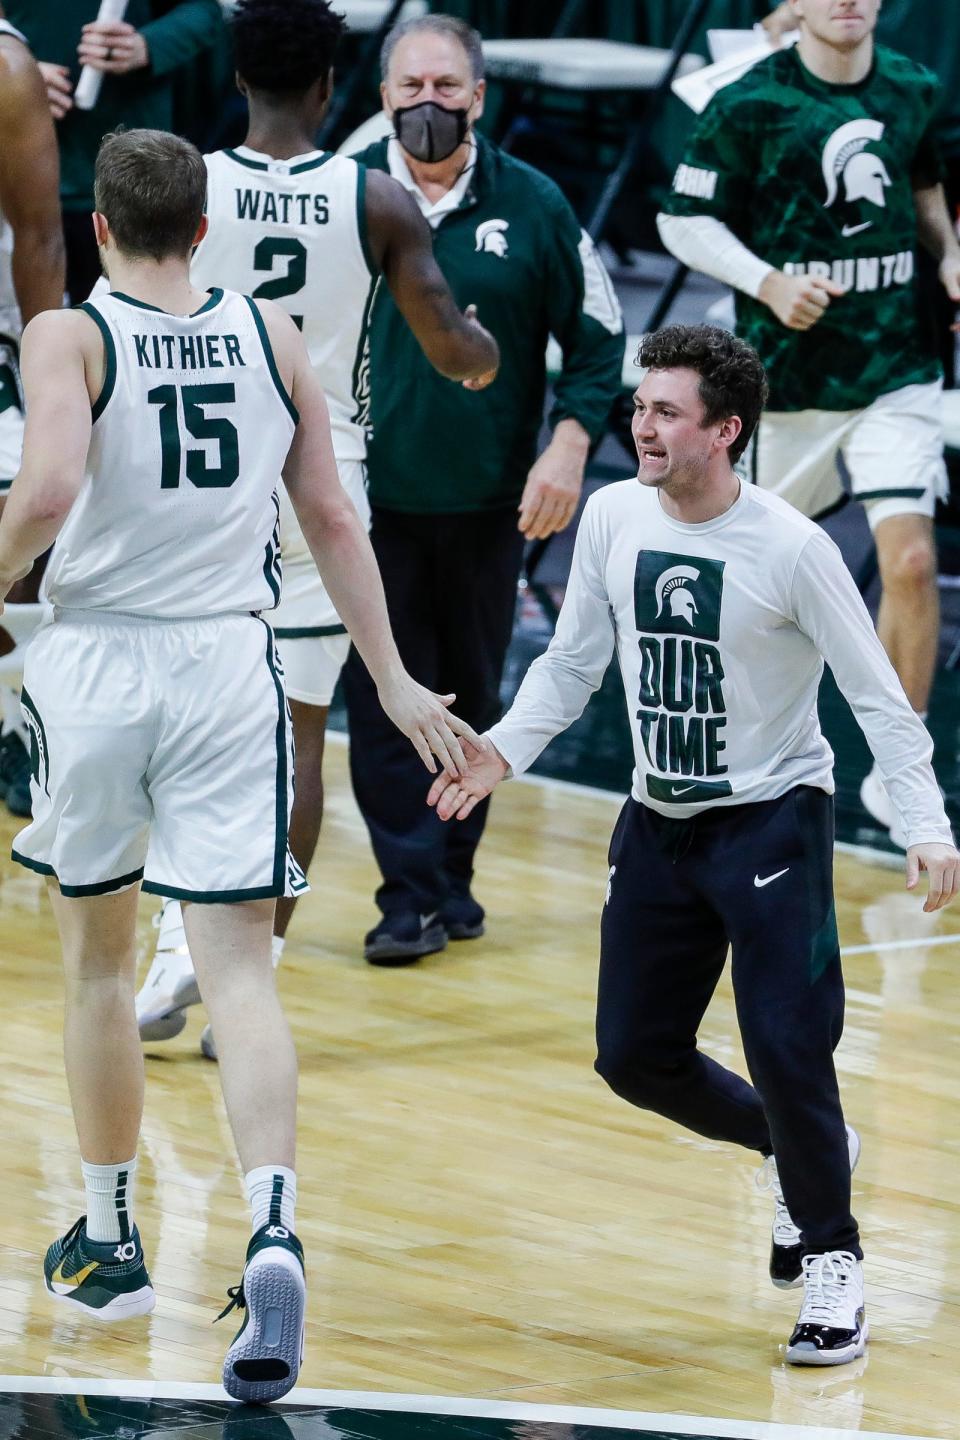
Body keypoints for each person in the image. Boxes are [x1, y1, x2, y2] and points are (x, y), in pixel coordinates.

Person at [0, 127, 476, 1401]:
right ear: (202, 228)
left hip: (102, 663)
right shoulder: (271, 335)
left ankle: (108, 1240)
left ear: (99, 228)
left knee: (100, 967)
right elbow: (330, 516)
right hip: (232, 664)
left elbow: (47, 492)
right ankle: (271, 1225)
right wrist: (386, 675)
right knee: (242, 975)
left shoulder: (69, 336)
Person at [427, 323, 959, 1366]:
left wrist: (929, 824)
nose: (644, 426)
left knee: (789, 1047)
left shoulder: (793, 548)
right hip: (657, 825)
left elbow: (878, 699)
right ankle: (796, 1151)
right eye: (640, 407)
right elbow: (573, 662)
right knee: (633, 1056)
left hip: (772, 827)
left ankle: (834, 1261)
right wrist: (500, 752)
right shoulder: (617, 517)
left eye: (667, 412)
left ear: (728, 430)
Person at [131, 0, 499, 1060]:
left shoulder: (183, 180)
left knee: (189, 727)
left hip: (191, 474)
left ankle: (175, 947)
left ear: (236, 82)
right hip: (318, 482)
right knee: (295, 738)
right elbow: (455, 352)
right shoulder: (375, 196)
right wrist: (482, 346)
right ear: (335, 92)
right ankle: (252, 976)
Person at [344, 13, 624, 964]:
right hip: (364, 502)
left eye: (446, 88)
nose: (429, 104)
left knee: (476, 693)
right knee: (392, 697)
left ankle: (452, 879)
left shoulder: (537, 202)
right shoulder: (342, 195)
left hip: (492, 499)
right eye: (410, 88)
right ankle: (407, 895)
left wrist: (574, 440)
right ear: (384, 96)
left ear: (479, 96)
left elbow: (599, 336)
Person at [656, 0, 960, 849]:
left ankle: (904, 771)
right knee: (751, 589)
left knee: (909, 560)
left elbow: (927, 187)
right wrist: (766, 283)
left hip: (894, 372)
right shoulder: (750, 99)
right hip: (781, 391)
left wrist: (951, 255)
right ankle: (734, 751)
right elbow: (680, 219)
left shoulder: (912, 86)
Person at [7, 0, 224, 303]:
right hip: (20, 181)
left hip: (134, 179)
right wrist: (14, 71)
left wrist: (148, 45)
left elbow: (204, 10)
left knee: (131, 333)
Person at [0, 9, 66, 818]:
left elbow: (41, 238)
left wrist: (54, 387)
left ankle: (25, 723)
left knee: (23, 551)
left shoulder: (8, 69)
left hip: (4, 346)